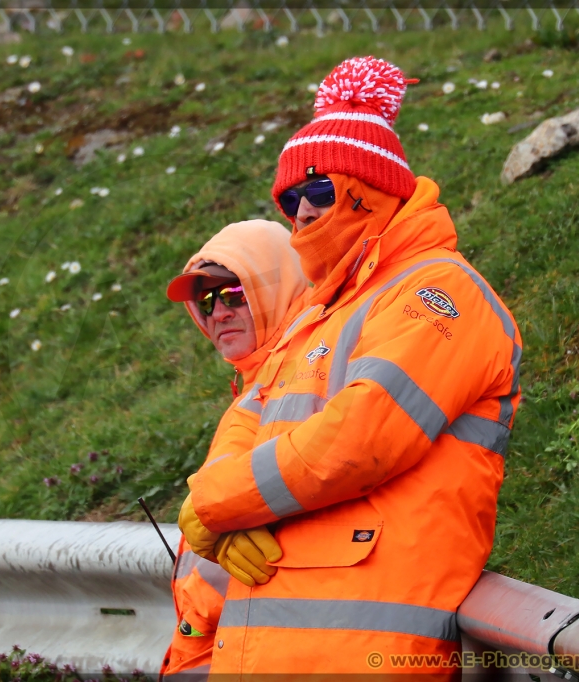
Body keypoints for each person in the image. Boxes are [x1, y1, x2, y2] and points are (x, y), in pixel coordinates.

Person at [177, 56, 523, 677]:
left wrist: (215, 505)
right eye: (289, 197)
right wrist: (215, 508)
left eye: (319, 190)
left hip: (361, 654)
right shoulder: (321, 314)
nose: (302, 213)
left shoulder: (438, 293)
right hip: (262, 651)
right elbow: (245, 422)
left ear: (370, 192)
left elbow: (361, 439)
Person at [158, 219, 308, 679]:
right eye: (206, 301)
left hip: (253, 643)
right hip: (220, 643)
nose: (218, 312)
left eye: (233, 293)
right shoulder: (257, 387)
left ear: (280, 284)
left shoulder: (305, 380)